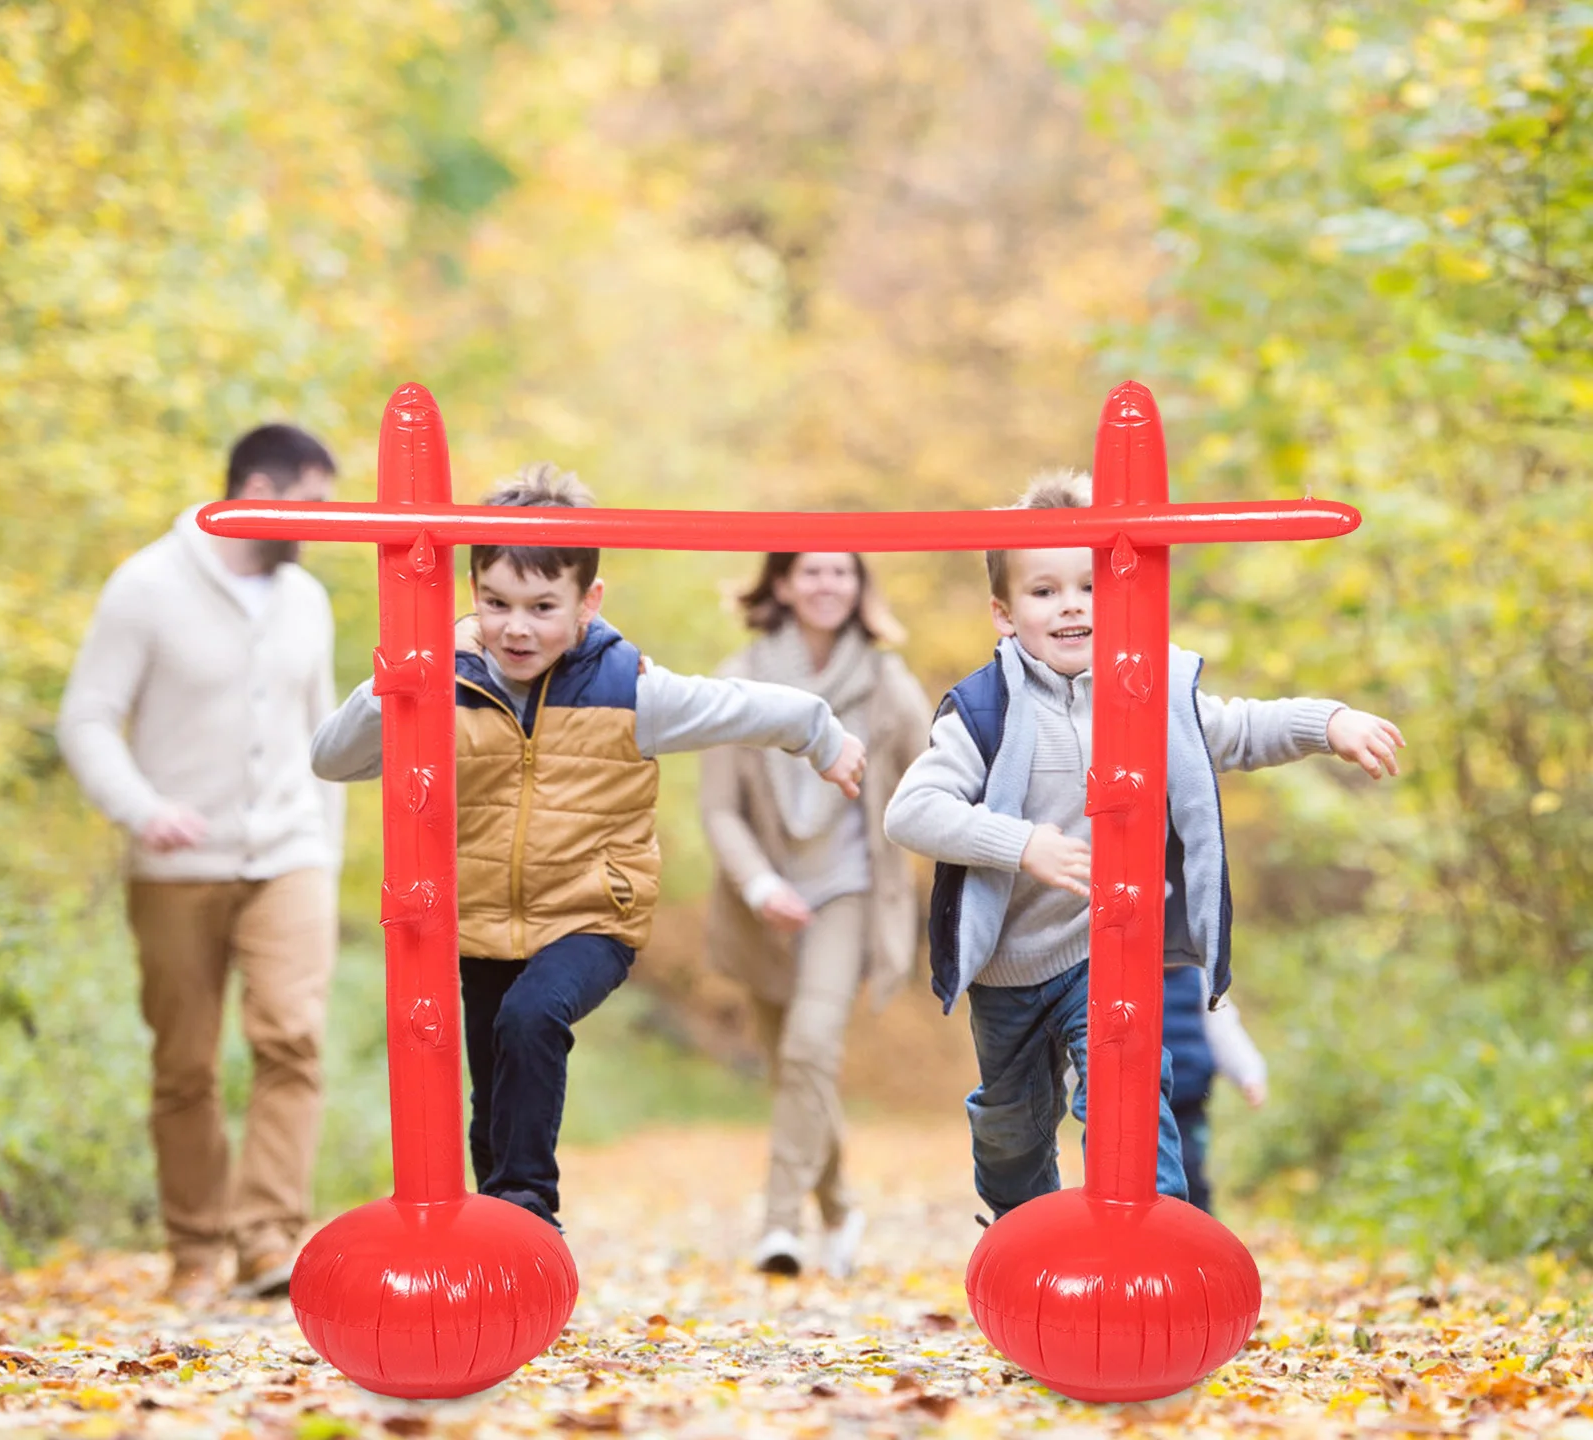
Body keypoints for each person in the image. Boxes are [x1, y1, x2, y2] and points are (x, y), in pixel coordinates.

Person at [310, 465, 867, 1235]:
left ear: (586, 603)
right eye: (497, 604)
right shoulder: (443, 680)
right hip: (474, 921)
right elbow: (333, 759)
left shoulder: (627, 688)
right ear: (472, 591)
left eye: (543, 608)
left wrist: (822, 734)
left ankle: (529, 1208)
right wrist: (400, 674)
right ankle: (492, 1238)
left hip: (589, 915)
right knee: (490, 1097)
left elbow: (740, 705)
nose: (517, 628)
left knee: (532, 1020)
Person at [883, 467, 1406, 1223]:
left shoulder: (1150, 693)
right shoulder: (982, 710)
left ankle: (1148, 1231)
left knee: (1128, 1091)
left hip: (1109, 948)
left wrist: (1329, 723)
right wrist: (1022, 843)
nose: (1071, 605)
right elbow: (912, 812)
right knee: (1012, 1131)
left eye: (1090, 586)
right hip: (1010, 964)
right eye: (1044, 591)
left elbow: (1240, 728)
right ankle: (1023, 1236)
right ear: (1003, 612)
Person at [56, 425, 344, 1306]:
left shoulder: (308, 600)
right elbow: (87, 717)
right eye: (314, 506)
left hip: (291, 854)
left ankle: (267, 1241)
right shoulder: (146, 586)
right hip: (177, 865)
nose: (326, 525)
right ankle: (194, 1251)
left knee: (292, 1037)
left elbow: (327, 735)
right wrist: (142, 808)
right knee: (184, 1061)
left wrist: (326, 852)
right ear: (256, 490)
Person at [700, 553, 931, 1279]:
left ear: (861, 587)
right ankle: (840, 1208)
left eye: (842, 573)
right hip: (763, 898)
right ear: (780, 584)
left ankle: (779, 1226)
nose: (827, 585)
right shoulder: (736, 679)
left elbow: (937, 776)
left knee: (810, 1048)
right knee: (791, 1067)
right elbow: (717, 809)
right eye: (811, 572)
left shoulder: (887, 682)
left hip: (849, 891)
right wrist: (761, 883)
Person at [1162, 964, 1266, 1215]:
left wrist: (1250, 1074)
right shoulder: (1128, 975)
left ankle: (1201, 1235)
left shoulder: (1199, 980)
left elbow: (1225, 1031)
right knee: (1149, 1177)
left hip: (1187, 1105)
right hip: (1140, 1105)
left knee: (1190, 1171)